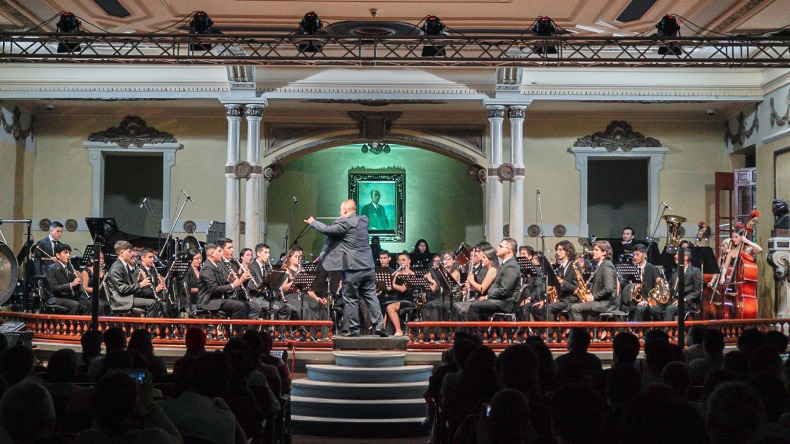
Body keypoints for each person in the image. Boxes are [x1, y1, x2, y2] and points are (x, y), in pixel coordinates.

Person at [305, 199, 386, 337]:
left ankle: (354, 330)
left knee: (350, 298)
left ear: (345, 210)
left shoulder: (345, 223)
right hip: (369, 266)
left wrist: (313, 222)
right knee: (371, 296)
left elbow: (328, 230)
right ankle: (379, 326)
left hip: (353, 268)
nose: (339, 213)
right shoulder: (364, 220)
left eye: (340, 210)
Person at [468, 238, 521, 321]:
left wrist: (487, 296)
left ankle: (476, 333)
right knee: (473, 305)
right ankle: (482, 331)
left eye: (500, 246)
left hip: (504, 303)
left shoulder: (511, 266)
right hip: (499, 301)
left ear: (508, 250)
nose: (498, 248)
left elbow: (504, 290)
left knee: (474, 306)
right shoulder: (507, 264)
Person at [104, 241, 159, 317]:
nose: (132, 254)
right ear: (121, 253)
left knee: (154, 301)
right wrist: (140, 285)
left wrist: (138, 280)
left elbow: (130, 284)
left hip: (127, 297)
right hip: (121, 300)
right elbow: (121, 289)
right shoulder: (117, 267)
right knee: (152, 303)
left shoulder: (124, 265)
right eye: (129, 251)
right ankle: (150, 328)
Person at [197, 243, 250, 319]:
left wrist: (229, 281)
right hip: (208, 301)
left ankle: (241, 329)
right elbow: (214, 289)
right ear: (212, 253)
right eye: (219, 251)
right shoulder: (207, 268)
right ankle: (233, 329)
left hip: (216, 299)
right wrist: (233, 285)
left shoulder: (214, 266)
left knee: (245, 304)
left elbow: (219, 285)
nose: (222, 253)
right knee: (240, 306)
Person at [569, 240, 618, 321]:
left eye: (596, 250)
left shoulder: (607, 266)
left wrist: (592, 297)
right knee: (575, 306)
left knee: (575, 308)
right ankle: (585, 330)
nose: (593, 252)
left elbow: (608, 289)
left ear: (604, 252)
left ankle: (581, 333)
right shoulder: (601, 265)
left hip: (606, 303)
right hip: (601, 301)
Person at [532, 240, 578, 321]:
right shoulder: (560, 267)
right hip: (561, 299)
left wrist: (562, 282)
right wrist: (546, 300)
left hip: (570, 300)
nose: (557, 252)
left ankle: (551, 332)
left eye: (560, 250)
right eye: (557, 250)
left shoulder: (574, 266)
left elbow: (576, 288)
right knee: (535, 307)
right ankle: (546, 330)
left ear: (568, 251)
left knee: (547, 308)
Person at [217, 238, 261, 319]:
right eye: (229, 248)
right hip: (225, 297)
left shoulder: (233, 265)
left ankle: (248, 329)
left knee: (256, 307)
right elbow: (223, 285)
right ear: (221, 250)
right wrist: (241, 279)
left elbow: (239, 285)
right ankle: (237, 330)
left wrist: (245, 277)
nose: (232, 250)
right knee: (245, 307)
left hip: (236, 296)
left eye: (232, 247)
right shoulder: (219, 265)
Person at [45, 243, 91, 315]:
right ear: (58, 255)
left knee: (87, 304)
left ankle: (82, 325)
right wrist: (71, 284)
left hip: (67, 297)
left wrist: (78, 281)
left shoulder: (69, 268)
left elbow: (75, 288)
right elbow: (53, 288)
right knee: (75, 305)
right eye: (65, 253)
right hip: (55, 298)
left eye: (69, 253)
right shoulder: (52, 268)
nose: (68, 255)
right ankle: (69, 325)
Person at [458, 245, 497, 321]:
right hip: (480, 297)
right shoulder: (486, 269)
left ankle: (469, 331)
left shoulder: (492, 270)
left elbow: (482, 289)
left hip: (486, 299)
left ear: (490, 259)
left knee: (461, 308)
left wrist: (472, 281)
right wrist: (471, 288)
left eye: (484, 257)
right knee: (457, 307)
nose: (482, 259)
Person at [665, 247, 703, 321]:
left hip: (687, 302)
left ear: (685, 258)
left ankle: (666, 331)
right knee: (655, 308)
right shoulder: (675, 272)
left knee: (670, 309)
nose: (675, 256)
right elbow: (669, 287)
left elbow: (698, 292)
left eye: (677, 254)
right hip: (673, 300)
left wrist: (683, 299)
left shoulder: (695, 271)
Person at [629, 244, 663, 321]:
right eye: (633, 255)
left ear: (644, 255)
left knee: (640, 308)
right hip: (636, 300)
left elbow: (657, 290)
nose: (634, 257)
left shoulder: (652, 269)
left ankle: (634, 330)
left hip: (649, 300)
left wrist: (647, 300)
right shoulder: (632, 269)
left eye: (637, 254)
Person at [385, 252, 414, 336]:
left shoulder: (411, 274)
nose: (401, 262)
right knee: (382, 305)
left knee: (390, 307)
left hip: (407, 299)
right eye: (399, 260)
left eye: (403, 260)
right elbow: (391, 286)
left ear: (409, 261)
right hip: (397, 299)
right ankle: (384, 330)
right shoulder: (397, 273)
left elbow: (402, 289)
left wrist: (390, 284)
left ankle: (399, 330)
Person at [81, 251, 111, 316]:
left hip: (102, 296)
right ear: (92, 260)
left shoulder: (105, 271)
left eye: (103, 258)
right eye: (99, 258)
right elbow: (84, 288)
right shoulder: (86, 271)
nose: (102, 260)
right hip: (90, 296)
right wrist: (96, 289)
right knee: (101, 305)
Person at [181, 248, 202, 316]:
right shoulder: (187, 270)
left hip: (200, 300)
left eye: (200, 258)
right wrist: (199, 290)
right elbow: (185, 289)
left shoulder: (201, 270)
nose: (200, 260)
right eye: (197, 258)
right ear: (190, 260)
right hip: (190, 302)